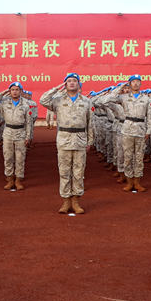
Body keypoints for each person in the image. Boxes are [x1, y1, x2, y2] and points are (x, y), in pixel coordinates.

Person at [39, 73, 94, 214]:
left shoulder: (86, 102)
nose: (71, 83)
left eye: (74, 81)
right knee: (64, 172)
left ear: (78, 84)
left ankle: (76, 201)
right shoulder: (58, 100)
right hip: (64, 139)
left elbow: (90, 123)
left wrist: (90, 141)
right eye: (68, 81)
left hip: (80, 139)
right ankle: (65, 201)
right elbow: (43, 100)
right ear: (65, 84)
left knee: (78, 172)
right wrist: (56, 89)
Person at [104, 75, 151, 192]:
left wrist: (149, 131)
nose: (135, 84)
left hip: (140, 130)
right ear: (129, 84)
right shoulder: (123, 97)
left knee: (139, 157)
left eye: (138, 82)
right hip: (127, 129)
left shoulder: (146, 99)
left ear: (141, 84)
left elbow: (149, 116)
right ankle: (129, 182)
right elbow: (106, 100)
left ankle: (137, 182)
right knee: (128, 156)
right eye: (133, 82)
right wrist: (120, 87)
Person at [0, 82, 34, 190]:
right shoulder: (5, 103)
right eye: (12, 89)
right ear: (9, 91)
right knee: (8, 157)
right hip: (8, 132)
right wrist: (2, 93)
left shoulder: (26, 105)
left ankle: (18, 180)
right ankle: (9, 179)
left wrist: (28, 136)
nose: (14, 91)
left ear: (21, 91)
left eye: (17, 89)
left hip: (21, 132)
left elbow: (29, 122)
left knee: (20, 158)